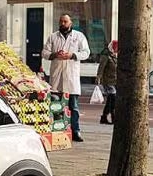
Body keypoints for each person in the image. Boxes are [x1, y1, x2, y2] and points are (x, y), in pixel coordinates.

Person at [42, 14, 90, 142]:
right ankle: (59, 131)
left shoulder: (79, 36)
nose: (63, 23)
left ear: (70, 23)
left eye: (65, 21)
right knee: (56, 105)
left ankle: (75, 131)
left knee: (73, 107)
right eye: (61, 21)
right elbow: (44, 53)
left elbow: (86, 52)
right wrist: (55, 54)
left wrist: (72, 55)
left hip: (71, 76)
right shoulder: (53, 37)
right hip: (57, 75)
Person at [96, 40, 119, 125]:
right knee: (113, 98)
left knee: (110, 100)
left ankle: (104, 117)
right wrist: (98, 77)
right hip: (108, 81)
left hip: (115, 81)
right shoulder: (106, 56)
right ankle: (113, 117)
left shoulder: (115, 56)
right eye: (116, 48)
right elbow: (101, 67)